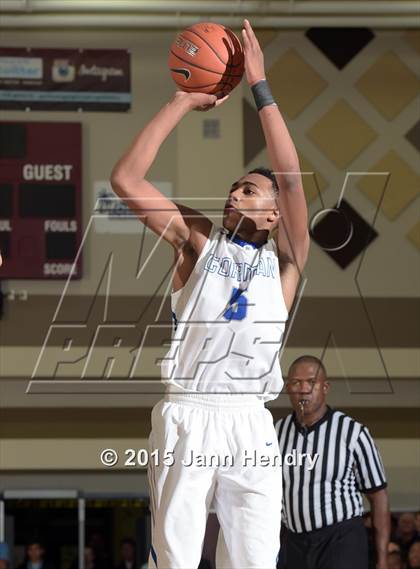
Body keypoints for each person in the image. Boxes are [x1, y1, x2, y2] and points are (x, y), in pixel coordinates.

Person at [111, 18, 309, 569]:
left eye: (249, 188)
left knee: (256, 558)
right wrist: (181, 101)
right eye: (233, 186)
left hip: (251, 418)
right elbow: (127, 180)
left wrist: (260, 87)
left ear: (273, 213)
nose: (235, 191)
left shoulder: (288, 261)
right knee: (175, 557)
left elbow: (291, 178)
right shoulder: (197, 239)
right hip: (190, 412)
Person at [275, 355, 390, 569]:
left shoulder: (353, 433)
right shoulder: (276, 433)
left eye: (311, 382)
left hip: (341, 539)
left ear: (325, 387)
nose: (303, 389)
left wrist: (382, 559)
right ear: (288, 388)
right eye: (296, 382)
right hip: (295, 542)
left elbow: (378, 496)